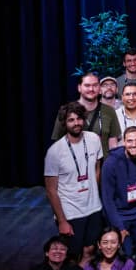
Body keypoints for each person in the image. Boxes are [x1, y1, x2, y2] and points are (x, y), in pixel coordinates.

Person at [44, 102, 104, 260]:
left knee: (90, 250)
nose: (76, 123)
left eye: (79, 118)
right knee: (72, 255)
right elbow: (51, 190)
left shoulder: (94, 139)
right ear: (64, 123)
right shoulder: (54, 152)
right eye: (71, 120)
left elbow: (97, 168)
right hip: (70, 212)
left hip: (94, 208)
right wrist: (62, 221)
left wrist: (93, 192)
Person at [100, 126, 136, 258]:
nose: (134, 144)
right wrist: (119, 226)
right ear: (124, 142)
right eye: (130, 141)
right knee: (126, 254)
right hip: (120, 215)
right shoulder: (111, 163)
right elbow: (107, 199)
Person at [51, 72, 122, 156]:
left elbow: (113, 145)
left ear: (99, 88)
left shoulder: (109, 111)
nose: (91, 89)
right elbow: (58, 145)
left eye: (95, 85)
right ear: (79, 88)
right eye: (87, 85)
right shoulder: (66, 111)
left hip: (103, 163)